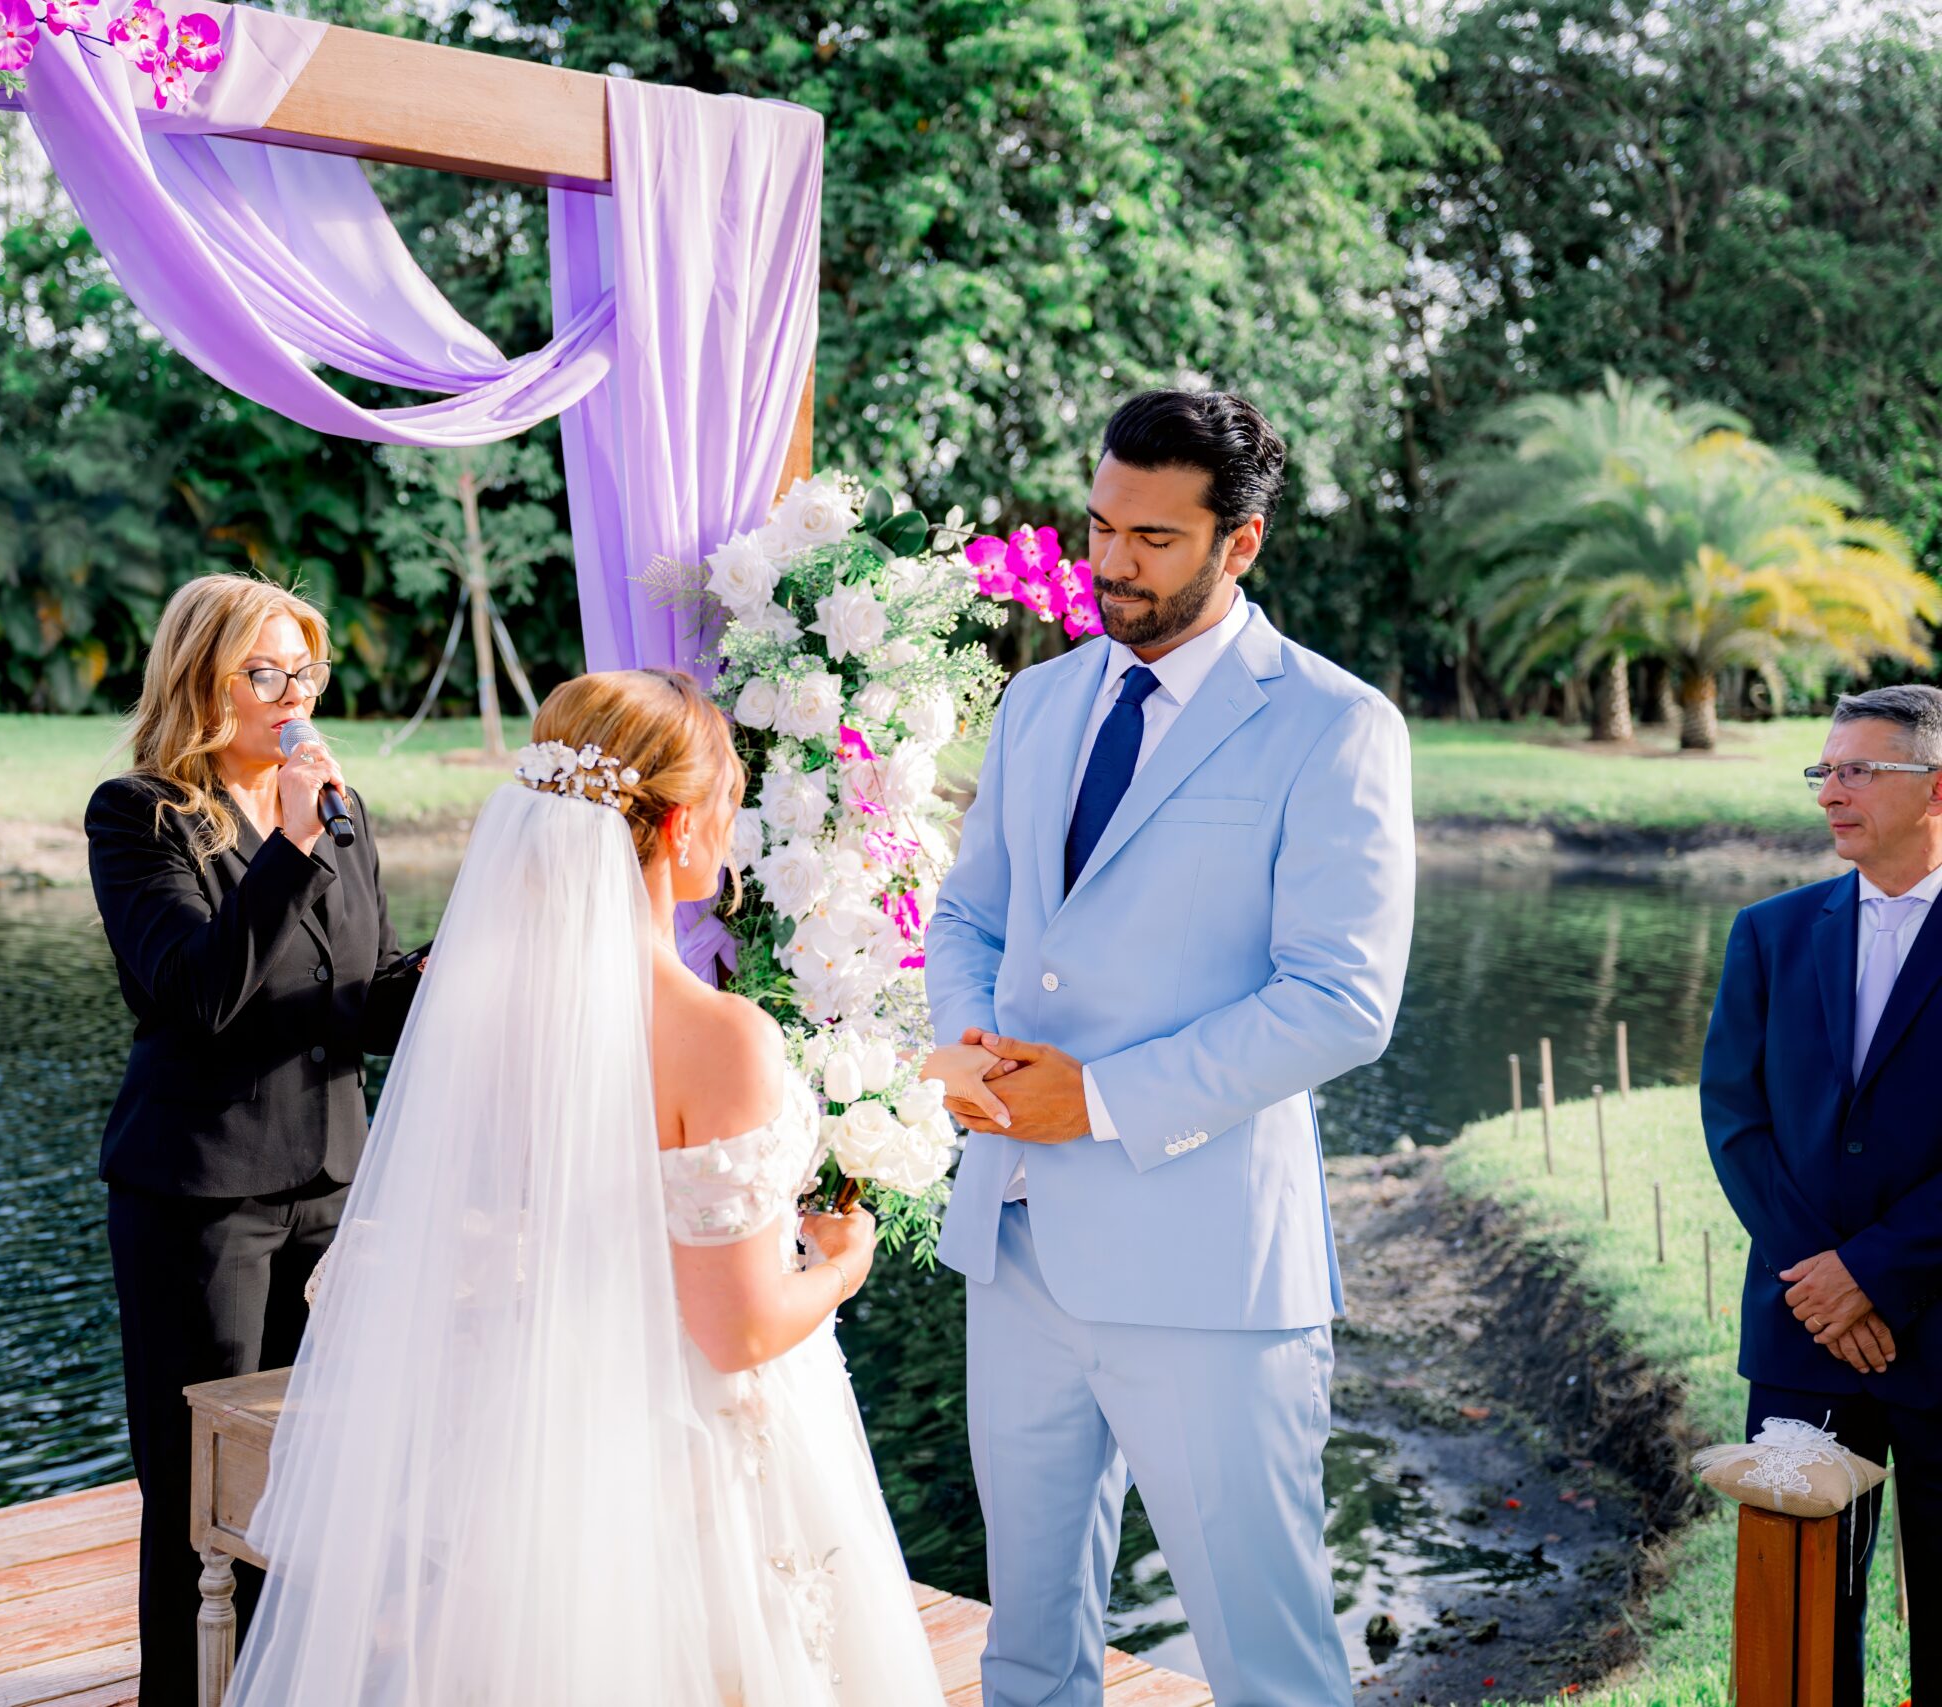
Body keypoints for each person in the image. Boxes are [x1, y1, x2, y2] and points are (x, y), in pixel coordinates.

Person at [226, 669, 944, 1706]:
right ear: (684, 823)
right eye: (731, 806)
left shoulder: (473, 1012)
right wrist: (840, 1268)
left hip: (531, 1444)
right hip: (690, 1464)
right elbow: (733, 1330)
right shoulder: (718, 1037)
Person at [921, 390, 1416, 1706]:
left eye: (1151, 536)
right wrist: (964, 1045)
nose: (1112, 561)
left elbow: (1342, 998)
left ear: (1239, 543)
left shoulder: (1333, 723)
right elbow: (970, 910)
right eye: (1098, 525)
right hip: (1013, 1239)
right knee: (1026, 1647)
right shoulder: (1037, 701)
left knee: (1268, 1659)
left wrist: (1104, 1098)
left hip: (1207, 1268)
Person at [85, 574, 423, 1707]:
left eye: (304, 672)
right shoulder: (138, 814)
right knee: (199, 1494)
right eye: (264, 672)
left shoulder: (341, 807)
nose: (291, 697)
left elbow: (358, 995)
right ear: (201, 678)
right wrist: (283, 844)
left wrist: (451, 973)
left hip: (332, 1190)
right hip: (200, 1202)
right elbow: (197, 994)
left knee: (312, 1479)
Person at [1702, 683, 1942, 1707]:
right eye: (1823, 771)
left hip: (1935, 1325)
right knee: (1797, 1626)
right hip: (1801, 1338)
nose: (1828, 792)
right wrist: (1822, 1282)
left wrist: (1875, 1273)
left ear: (1935, 786)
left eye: (1857, 771)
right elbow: (1734, 1119)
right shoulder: (1768, 932)